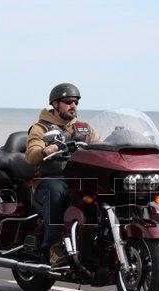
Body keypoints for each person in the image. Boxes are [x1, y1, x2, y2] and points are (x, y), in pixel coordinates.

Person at [25, 83, 102, 264]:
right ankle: (54, 247)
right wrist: (45, 150)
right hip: (50, 180)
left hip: (79, 180)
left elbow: (101, 145)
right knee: (56, 191)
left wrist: (117, 145)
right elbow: (31, 155)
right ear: (55, 104)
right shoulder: (41, 128)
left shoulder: (84, 128)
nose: (73, 105)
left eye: (76, 102)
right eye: (68, 102)